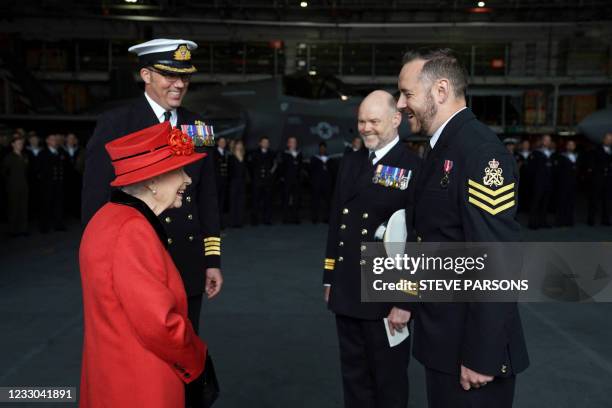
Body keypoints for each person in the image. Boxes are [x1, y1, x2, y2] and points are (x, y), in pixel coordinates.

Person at [80, 38, 222, 407]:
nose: (178, 84)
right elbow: (97, 201)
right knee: (139, 357)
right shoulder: (117, 124)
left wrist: (212, 259)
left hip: (187, 263)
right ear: (145, 74)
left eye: (184, 78)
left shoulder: (198, 128)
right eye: (168, 76)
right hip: (138, 264)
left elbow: (207, 197)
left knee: (185, 349)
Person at [397, 48, 529, 408]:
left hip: (471, 357)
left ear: (440, 91)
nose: (400, 104)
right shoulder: (441, 149)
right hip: (444, 343)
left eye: (407, 93)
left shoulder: (480, 152)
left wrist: (481, 356)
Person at [79, 122, 207, 408]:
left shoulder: (108, 217)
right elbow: (159, 324)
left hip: (113, 374)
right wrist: (197, 357)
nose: (187, 180)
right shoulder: (132, 231)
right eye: (179, 170)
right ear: (152, 181)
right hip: (141, 385)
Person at [323, 90, 420, 408]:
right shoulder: (350, 162)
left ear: (395, 120)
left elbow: (420, 239)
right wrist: (329, 278)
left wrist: (405, 300)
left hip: (385, 293)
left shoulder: (413, 167)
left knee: (388, 383)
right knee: (354, 380)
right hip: (347, 287)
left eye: (374, 121)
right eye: (361, 121)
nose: (366, 128)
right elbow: (337, 222)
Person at [38, 134, 66, 232]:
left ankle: (58, 224)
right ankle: (45, 226)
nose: (55, 141)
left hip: (59, 183)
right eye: (52, 139)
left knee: (58, 204)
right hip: (47, 184)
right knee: (46, 205)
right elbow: (39, 170)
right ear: (47, 141)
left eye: (55, 139)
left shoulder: (61, 152)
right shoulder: (43, 153)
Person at [2, 135, 29, 237]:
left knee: (23, 208)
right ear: (13, 144)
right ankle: (12, 230)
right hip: (12, 186)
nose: (20, 145)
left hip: (24, 186)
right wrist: (9, 182)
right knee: (13, 208)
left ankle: (23, 229)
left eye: (21, 144)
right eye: (18, 143)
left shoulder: (25, 156)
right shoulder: (9, 157)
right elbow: (3, 172)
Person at [527, 134, 554, 229]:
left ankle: (543, 222)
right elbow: (531, 169)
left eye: (549, 140)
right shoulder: (535, 153)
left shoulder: (552, 153)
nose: (547, 142)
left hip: (548, 182)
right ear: (542, 141)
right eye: (546, 140)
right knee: (535, 203)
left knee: (545, 203)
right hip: (538, 182)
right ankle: (532, 223)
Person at [248, 136, 275, 225]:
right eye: (264, 142)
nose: (265, 144)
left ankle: (267, 219)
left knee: (267, 201)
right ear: (260, 143)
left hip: (268, 181)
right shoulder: (254, 153)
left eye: (267, 142)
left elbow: (274, 166)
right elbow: (251, 167)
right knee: (255, 201)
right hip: (257, 181)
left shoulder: (272, 154)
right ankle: (254, 220)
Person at [587, 132, 612, 226]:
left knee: (607, 201)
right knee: (594, 200)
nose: (609, 141)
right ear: (603, 140)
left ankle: (605, 220)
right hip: (598, 179)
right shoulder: (596, 150)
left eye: (611, 139)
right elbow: (592, 164)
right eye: (608, 139)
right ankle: (591, 220)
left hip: (609, 179)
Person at [553, 139, 578, 227]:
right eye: (569, 144)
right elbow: (557, 171)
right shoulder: (561, 157)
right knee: (562, 202)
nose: (571, 146)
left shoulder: (577, 156)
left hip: (573, 184)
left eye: (573, 145)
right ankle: (560, 221)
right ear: (567, 146)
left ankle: (569, 221)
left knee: (571, 203)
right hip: (563, 184)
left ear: (574, 146)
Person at [278, 136, 303, 224]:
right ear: (288, 144)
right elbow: (282, 167)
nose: (293, 143)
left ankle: (295, 218)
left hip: (296, 180)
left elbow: (301, 167)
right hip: (287, 180)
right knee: (286, 199)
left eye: (295, 142)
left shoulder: (299, 154)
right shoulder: (284, 154)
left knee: (296, 199)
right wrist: (282, 177)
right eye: (291, 142)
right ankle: (285, 218)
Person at [309, 141, 332, 223]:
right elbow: (311, 170)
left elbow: (333, 171)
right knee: (315, 201)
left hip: (327, 183)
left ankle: (327, 218)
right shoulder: (314, 158)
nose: (322, 150)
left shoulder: (330, 158)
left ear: (325, 149)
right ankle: (315, 218)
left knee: (327, 202)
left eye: (324, 148)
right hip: (317, 183)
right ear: (319, 149)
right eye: (321, 148)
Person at [228, 139, 247, 228]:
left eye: (241, 144)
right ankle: (232, 222)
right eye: (238, 144)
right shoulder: (231, 157)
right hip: (234, 182)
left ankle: (239, 222)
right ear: (235, 145)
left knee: (241, 202)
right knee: (233, 202)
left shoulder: (244, 156)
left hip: (242, 182)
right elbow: (229, 171)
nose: (239, 146)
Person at [213, 136, 230, 228]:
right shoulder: (214, 153)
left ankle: (221, 223)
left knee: (222, 203)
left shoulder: (226, 153)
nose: (223, 143)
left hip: (224, 182)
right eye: (221, 141)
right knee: (216, 203)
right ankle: (216, 224)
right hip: (217, 182)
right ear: (218, 143)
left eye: (224, 142)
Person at [515, 139, 531, 212]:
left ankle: (527, 208)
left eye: (527, 144)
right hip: (520, 178)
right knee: (519, 193)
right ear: (521, 145)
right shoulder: (517, 155)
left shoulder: (532, 154)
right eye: (524, 144)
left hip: (530, 178)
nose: (526, 146)